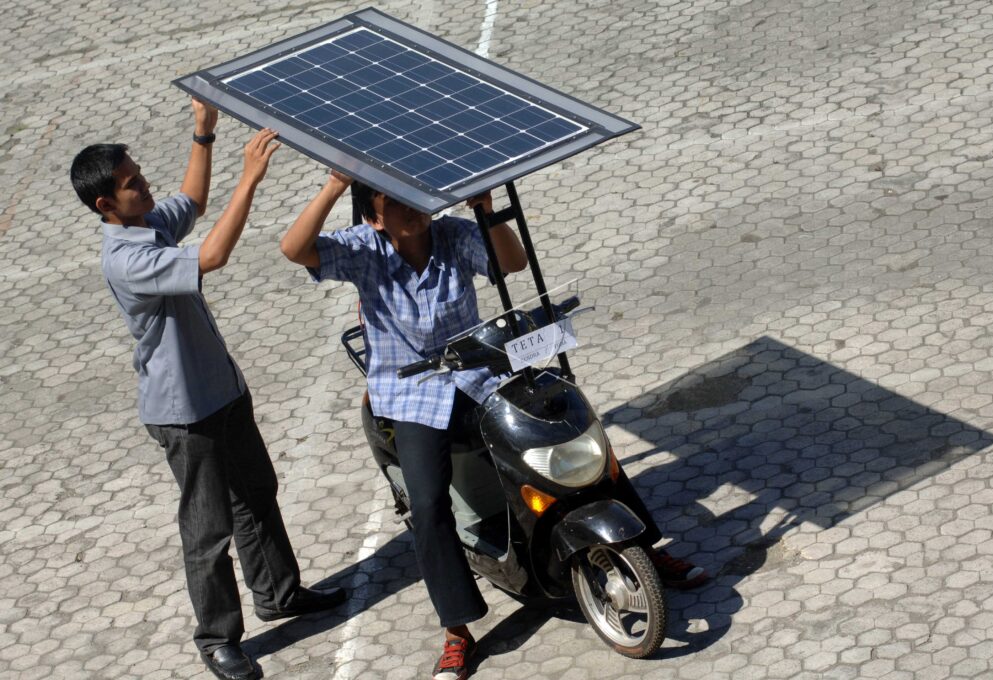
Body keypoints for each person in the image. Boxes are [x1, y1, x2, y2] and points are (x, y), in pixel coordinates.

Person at [280, 170, 709, 680]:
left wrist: (486, 211)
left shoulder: (452, 235)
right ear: (374, 217)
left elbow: (512, 262)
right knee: (429, 506)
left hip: (478, 375)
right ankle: (456, 629)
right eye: (394, 202)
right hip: (413, 395)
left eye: (415, 196)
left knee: (570, 442)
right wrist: (333, 186)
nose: (412, 208)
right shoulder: (362, 249)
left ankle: (646, 550)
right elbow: (294, 249)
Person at [70, 100, 347, 680]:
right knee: (208, 529)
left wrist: (204, 133)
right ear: (105, 206)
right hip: (184, 413)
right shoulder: (126, 258)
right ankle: (217, 639)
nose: (145, 185)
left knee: (258, 494)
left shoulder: (145, 224)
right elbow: (213, 255)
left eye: (139, 174)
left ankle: (280, 594)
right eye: (132, 183)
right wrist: (250, 178)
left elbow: (193, 202)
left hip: (222, 391)